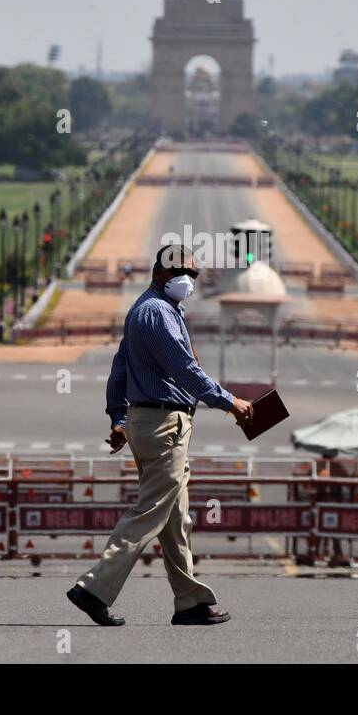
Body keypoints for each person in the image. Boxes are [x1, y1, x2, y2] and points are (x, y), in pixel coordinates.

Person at [67, 245, 254, 627]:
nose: (189, 280)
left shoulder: (151, 310)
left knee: (176, 519)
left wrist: (118, 418)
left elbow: (121, 366)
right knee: (151, 510)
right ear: (160, 272)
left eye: (195, 275)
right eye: (183, 272)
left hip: (153, 422)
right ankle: (94, 587)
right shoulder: (157, 312)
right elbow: (184, 369)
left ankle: (189, 601)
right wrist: (228, 401)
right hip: (164, 425)